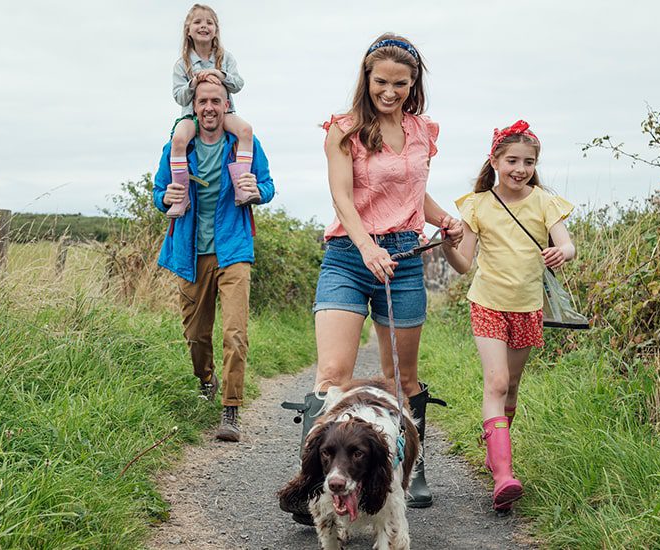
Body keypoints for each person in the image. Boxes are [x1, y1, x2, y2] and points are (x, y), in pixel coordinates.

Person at [280, 33, 464, 524]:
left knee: (399, 379)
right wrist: (366, 246)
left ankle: (410, 466)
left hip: (403, 256)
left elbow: (412, 193)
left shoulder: (423, 131)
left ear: (413, 83)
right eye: (381, 81)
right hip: (348, 253)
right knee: (333, 374)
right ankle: (314, 486)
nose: (390, 91)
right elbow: (343, 196)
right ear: (366, 79)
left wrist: (444, 218)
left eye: (400, 83)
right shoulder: (344, 129)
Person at [440, 120, 576, 511]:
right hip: (487, 303)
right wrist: (449, 246)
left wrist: (560, 253)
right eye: (512, 160)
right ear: (495, 160)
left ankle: (494, 453)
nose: (520, 169)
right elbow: (464, 264)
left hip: (528, 307)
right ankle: (503, 476)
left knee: (512, 387)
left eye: (529, 162)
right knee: (496, 383)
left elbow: (568, 245)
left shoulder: (545, 202)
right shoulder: (477, 205)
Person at [153, 77, 275, 443]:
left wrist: (257, 193)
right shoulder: (177, 149)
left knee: (235, 334)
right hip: (190, 253)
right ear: (194, 106)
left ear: (226, 107)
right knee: (195, 336)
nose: (209, 107)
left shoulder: (242, 146)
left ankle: (231, 409)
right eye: (203, 101)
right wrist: (166, 197)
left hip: (234, 250)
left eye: (216, 101)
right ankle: (206, 379)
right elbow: (159, 192)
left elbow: (267, 185)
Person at [167, 3, 256, 219]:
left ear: (216, 30)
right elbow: (178, 95)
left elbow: (238, 84)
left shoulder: (226, 58)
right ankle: (181, 197)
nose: (203, 26)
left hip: (223, 114)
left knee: (245, 130)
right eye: (197, 22)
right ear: (188, 30)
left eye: (209, 22)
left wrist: (219, 73)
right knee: (178, 140)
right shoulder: (183, 64)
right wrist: (194, 81)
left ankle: (241, 186)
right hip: (191, 114)